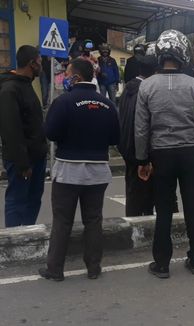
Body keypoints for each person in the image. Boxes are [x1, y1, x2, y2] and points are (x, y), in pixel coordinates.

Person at [135, 29, 194, 278]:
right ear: (183, 55)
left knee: (164, 211)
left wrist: (142, 160)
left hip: (161, 155)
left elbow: (141, 129)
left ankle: (162, 264)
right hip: (190, 154)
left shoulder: (146, 86)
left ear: (160, 54)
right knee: (193, 208)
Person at [38, 58, 120, 281]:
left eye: (68, 73)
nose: (65, 77)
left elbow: (51, 133)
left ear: (76, 77)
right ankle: (93, 268)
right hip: (98, 171)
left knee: (62, 221)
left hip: (68, 171)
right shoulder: (107, 104)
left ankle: (55, 269)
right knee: (93, 220)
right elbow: (115, 138)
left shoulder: (64, 102)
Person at [0, 45, 47, 228]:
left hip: (36, 157)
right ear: (31, 64)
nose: (41, 67)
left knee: (33, 200)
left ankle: (29, 238)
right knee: (17, 202)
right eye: (40, 62)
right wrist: (23, 164)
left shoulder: (25, 84)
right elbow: (11, 130)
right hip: (22, 161)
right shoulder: (9, 90)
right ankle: (14, 245)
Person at [118, 54, 157, 216]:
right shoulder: (146, 90)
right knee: (147, 196)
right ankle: (143, 231)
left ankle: (132, 224)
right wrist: (145, 157)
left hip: (126, 147)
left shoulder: (128, 87)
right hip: (140, 150)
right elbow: (143, 125)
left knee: (132, 192)